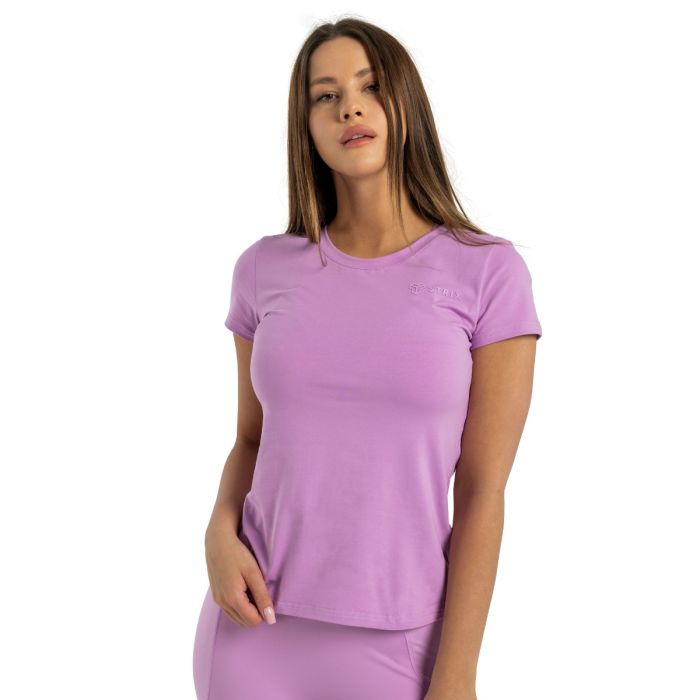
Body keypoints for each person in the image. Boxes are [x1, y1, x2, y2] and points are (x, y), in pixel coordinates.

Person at [193, 17, 543, 700]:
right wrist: (216, 533)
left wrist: (458, 673)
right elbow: (251, 440)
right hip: (252, 629)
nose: (349, 108)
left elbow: (482, 492)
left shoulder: (488, 274)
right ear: (306, 127)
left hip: (405, 644)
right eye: (325, 96)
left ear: (405, 102)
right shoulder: (264, 269)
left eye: (370, 86)